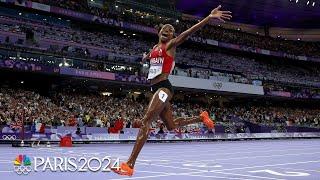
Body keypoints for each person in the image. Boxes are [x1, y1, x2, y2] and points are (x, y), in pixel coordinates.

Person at [113, 5, 232, 176]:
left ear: (173, 36)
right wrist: (146, 57)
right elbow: (151, 56)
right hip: (154, 88)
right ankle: (201, 117)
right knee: (171, 126)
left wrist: (208, 18)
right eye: (164, 29)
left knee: (146, 121)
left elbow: (188, 32)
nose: (167, 31)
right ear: (159, 32)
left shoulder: (170, 45)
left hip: (163, 88)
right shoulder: (155, 48)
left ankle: (130, 164)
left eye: (171, 30)